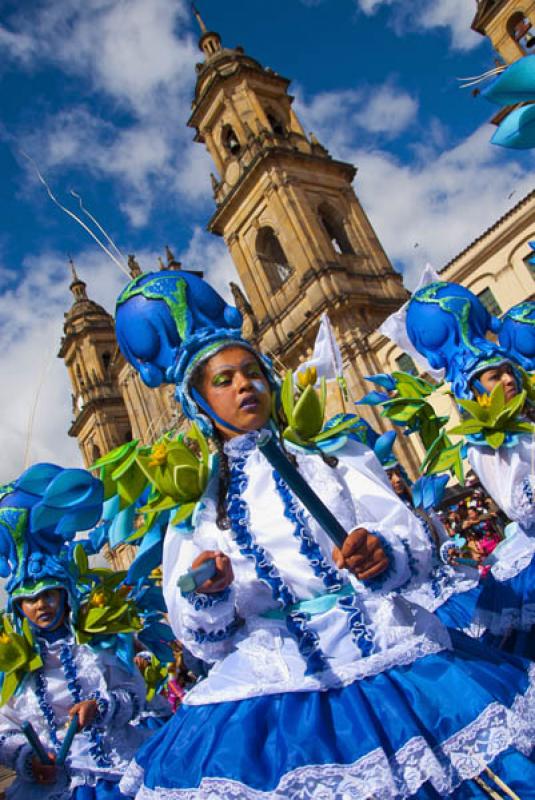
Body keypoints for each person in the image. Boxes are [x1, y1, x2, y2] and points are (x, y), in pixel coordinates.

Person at [110, 270, 535, 799]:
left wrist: (383, 554)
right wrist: (209, 592)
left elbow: (412, 539)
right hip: (287, 690)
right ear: (198, 402)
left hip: (395, 655)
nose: (245, 385)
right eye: (224, 380)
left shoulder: (333, 459)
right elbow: (200, 637)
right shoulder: (200, 512)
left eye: (253, 372)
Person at [0, 465, 166, 800]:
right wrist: (28, 759)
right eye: (29, 600)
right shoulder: (15, 664)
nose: (41, 606)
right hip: (51, 786)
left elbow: (134, 696)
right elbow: (5, 727)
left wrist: (100, 707)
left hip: (118, 774)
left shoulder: (97, 644)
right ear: (18, 608)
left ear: (65, 595)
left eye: (48, 595)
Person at [406, 281, 535, 652]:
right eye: (494, 377)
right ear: (472, 390)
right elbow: (520, 505)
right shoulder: (487, 442)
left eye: (508, 371)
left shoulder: (523, 425)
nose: (508, 379)